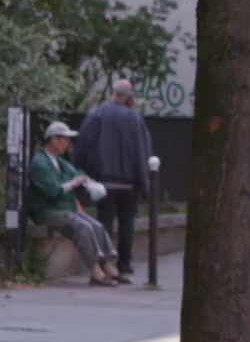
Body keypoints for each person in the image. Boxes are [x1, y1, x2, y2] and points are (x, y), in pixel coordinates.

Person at [74, 79, 154, 282]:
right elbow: (143, 151)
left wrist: (80, 173)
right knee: (127, 223)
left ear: (112, 93)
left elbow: (83, 145)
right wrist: (144, 183)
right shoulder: (135, 119)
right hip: (129, 183)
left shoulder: (97, 115)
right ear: (128, 96)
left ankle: (104, 264)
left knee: (105, 222)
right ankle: (124, 263)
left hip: (103, 181)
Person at [26, 121, 121, 286]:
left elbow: (76, 173)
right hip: (47, 211)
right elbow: (54, 192)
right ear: (54, 140)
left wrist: (85, 180)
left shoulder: (60, 161)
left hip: (64, 208)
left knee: (97, 226)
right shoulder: (40, 163)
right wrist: (74, 183)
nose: (68, 144)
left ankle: (108, 264)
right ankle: (96, 271)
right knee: (83, 227)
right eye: (65, 139)